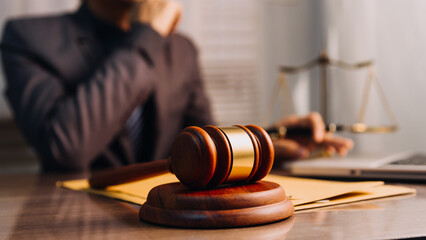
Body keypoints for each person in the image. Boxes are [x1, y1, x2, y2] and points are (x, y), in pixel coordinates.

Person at [0, 0, 353, 172]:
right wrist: (147, 36)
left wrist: (269, 139)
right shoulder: (28, 38)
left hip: (166, 222)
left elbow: (203, 145)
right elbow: (66, 149)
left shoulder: (181, 49)